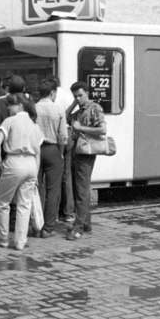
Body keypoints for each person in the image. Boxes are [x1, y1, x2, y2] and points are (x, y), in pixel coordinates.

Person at [0, 93, 43, 251]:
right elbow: (38, 152)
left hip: (14, 161)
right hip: (31, 164)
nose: (8, 107)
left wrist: (0, 162)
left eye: (10, 104)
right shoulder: (35, 125)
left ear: (19, 105)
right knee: (25, 204)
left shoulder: (10, 121)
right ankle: (20, 241)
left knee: (2, 202)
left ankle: (3, 237)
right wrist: (36, 172)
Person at [66, 81, 106, 241]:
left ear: (87, 93)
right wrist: (74, 102)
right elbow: (65, 116)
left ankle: (78, 227)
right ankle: (86, 222)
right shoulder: (79, 110)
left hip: (86, 152)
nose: (78, 98)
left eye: (80, 95)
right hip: (77, 151)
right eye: (76, 96)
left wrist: (81, 128)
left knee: (81, 190)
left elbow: (102, 129)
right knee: (79, 188)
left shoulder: (95, 108)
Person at [0, 75, 26, 230]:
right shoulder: (26, 105)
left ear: (8, 88)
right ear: (23, 89)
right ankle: (13, 221)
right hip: (18, 151)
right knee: (17, 188)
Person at [35, 79, 68, 238]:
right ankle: (48, 228)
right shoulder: (58, 110)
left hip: (35, 151)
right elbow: (63, 136)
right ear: (53, 93)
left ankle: (34, 224)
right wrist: (60, 152)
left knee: (34, 189)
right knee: (52, 190)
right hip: (53, 149)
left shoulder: (33, 108)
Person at [47, 75, 77, 224]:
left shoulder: (51, 97)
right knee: (67, 175)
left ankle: (55, 212)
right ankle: (69, 213)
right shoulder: (67, 96)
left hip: (55, 138)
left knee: (53, 177)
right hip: (68, 136)